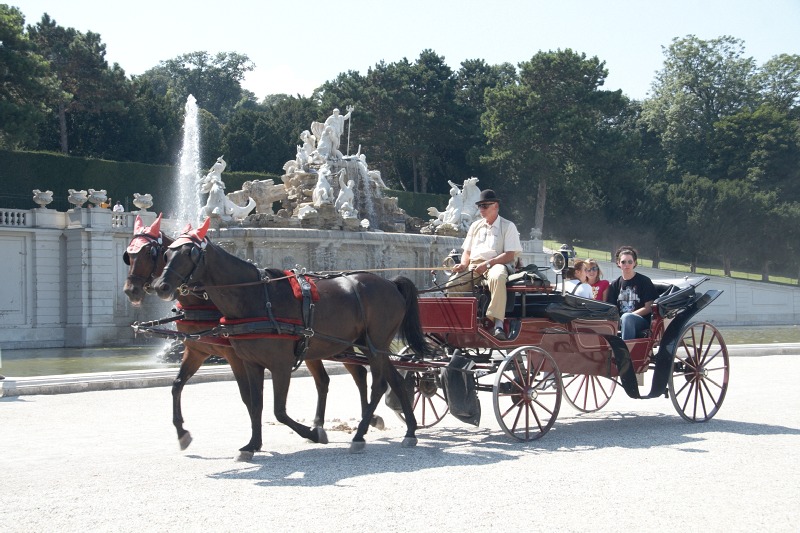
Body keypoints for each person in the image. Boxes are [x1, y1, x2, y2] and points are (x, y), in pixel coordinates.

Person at [447, 189, 522, 340]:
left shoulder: (508, 226)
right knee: (451, 284)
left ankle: (497, 323)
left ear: (495, 206)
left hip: (497, 264)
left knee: (497, 277)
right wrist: (462, 264)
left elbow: (509, 254)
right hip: (474, 266)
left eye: (484, 206)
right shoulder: (475, 226)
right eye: (479, 206)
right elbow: (467, 251)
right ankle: (462, 322)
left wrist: (488, 264)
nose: (481, 209)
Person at [605, 246, 658, 340]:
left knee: (627, 317)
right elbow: (612, 308)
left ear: (635, 263)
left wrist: (626, 317)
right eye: (623, 262)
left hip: (641, 321)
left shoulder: (644, 281)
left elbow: (648, 307)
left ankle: (626, 351)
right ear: (618, 263)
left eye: (630, 262)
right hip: (620, 321)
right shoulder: (614, 284)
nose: (627, 265)